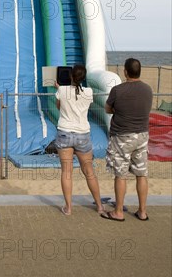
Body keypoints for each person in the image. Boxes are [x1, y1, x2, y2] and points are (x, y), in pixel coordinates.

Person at [102, 58, 153, 222]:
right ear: (139, 71)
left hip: (122, 137)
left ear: (125, 72)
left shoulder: (117, 90)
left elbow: (108, 108)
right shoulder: (148, 90)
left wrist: (119, 110)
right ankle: (142, 211)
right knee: (141, 174)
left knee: (121, 174)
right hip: (142, 136)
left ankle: (118, 211)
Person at [55, 65, 104, 216]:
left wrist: (58, 88)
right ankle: (100, 206)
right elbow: (81, 103)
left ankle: (68, 208)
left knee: (66, 172)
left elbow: (59, 107)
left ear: (71, 76)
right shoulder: (89, 92)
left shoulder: (62, 90)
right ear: (83, 77)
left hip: (65, 132)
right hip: (83, 134)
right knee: (89, 171)